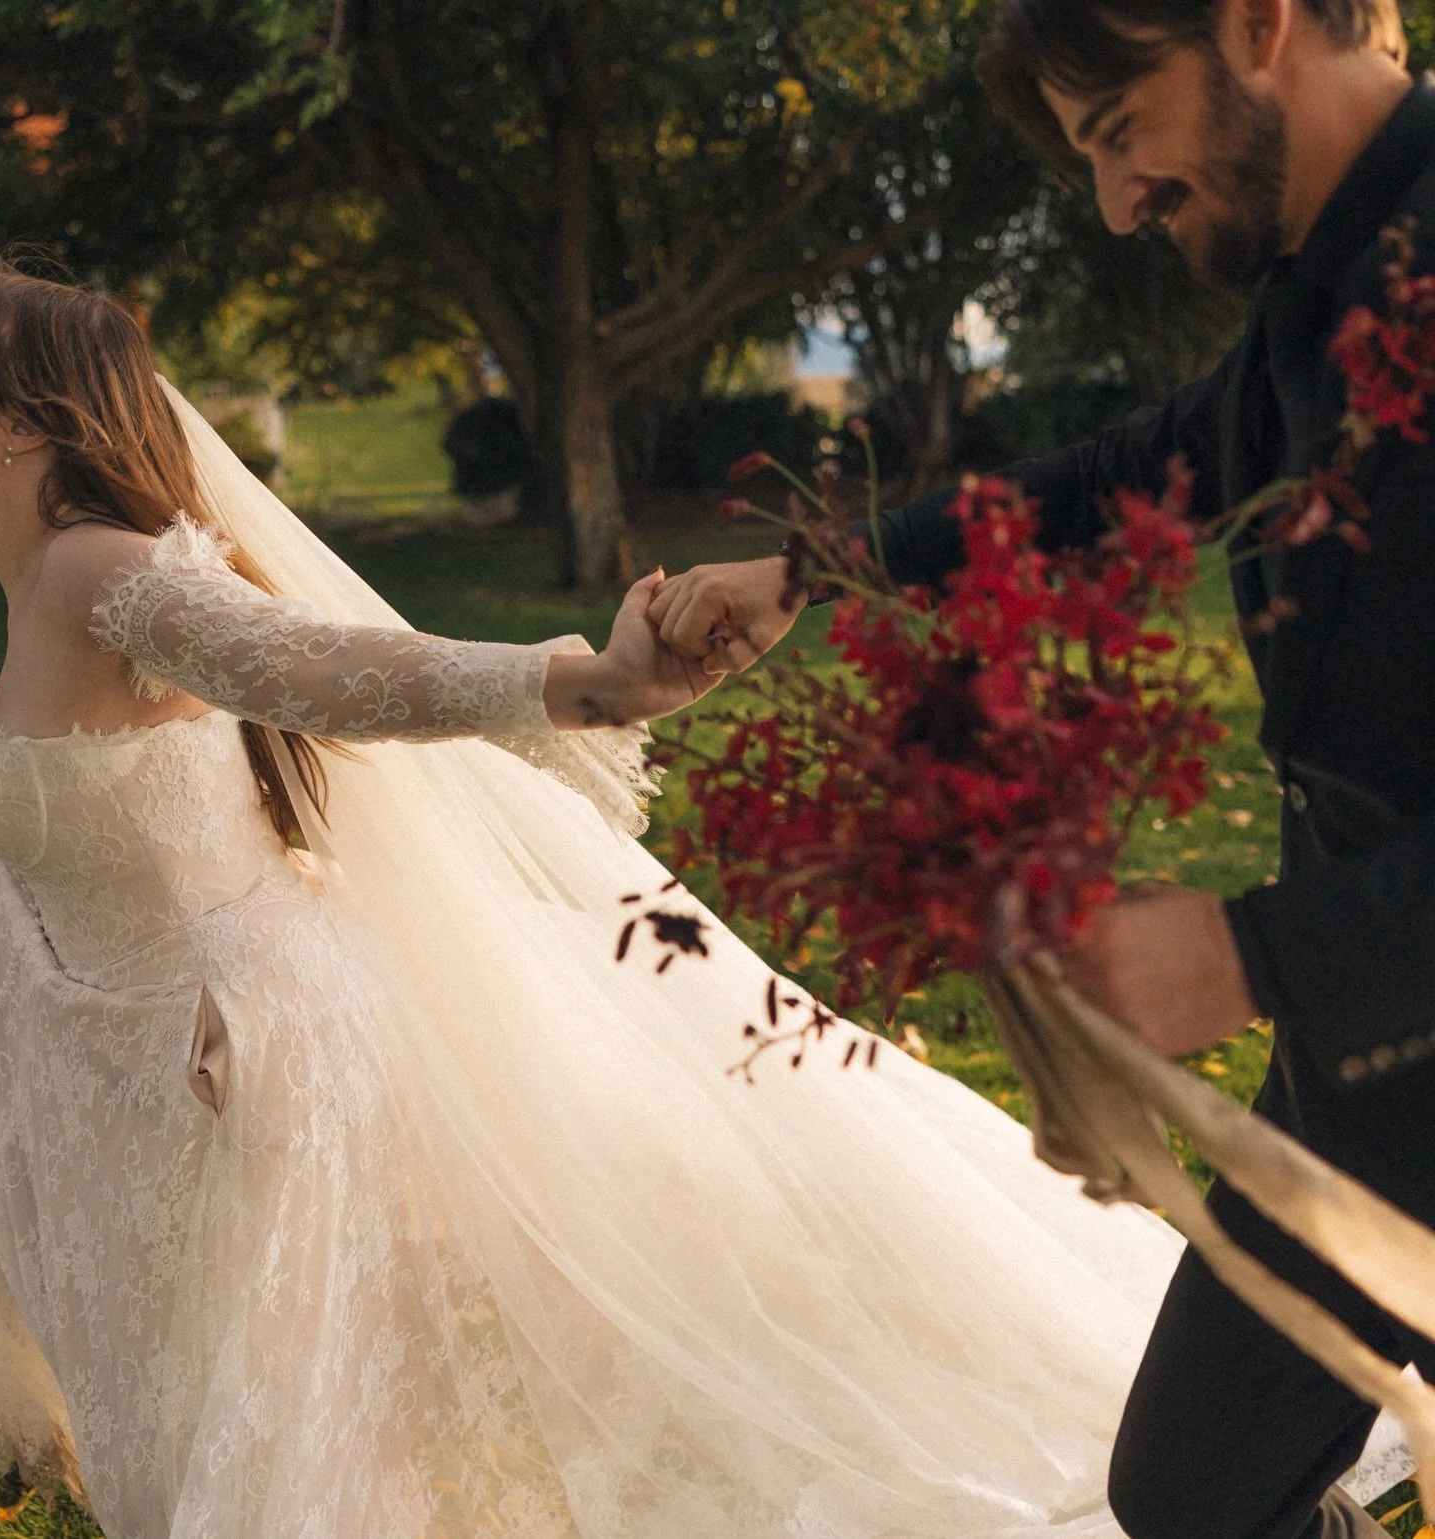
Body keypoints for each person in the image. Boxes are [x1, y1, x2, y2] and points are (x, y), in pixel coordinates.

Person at [0, 263, 1211, 1538]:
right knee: (180, 1439)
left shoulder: (100, 571)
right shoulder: (34, 589)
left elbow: (326, 669)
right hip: (108, 1064)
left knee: (271, 1445)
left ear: (24, 417)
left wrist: (589, 689)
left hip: (224, 1057)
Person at [648, 2, 1435, 1536]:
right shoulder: (1315, 296)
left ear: (1258, 24)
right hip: (1376, 1061)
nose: (1117, 198)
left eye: (1120, 126)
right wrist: (814, 565)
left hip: (1366, 972)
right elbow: (1120, 476)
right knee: (1198, 1492)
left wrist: (1246, 948)